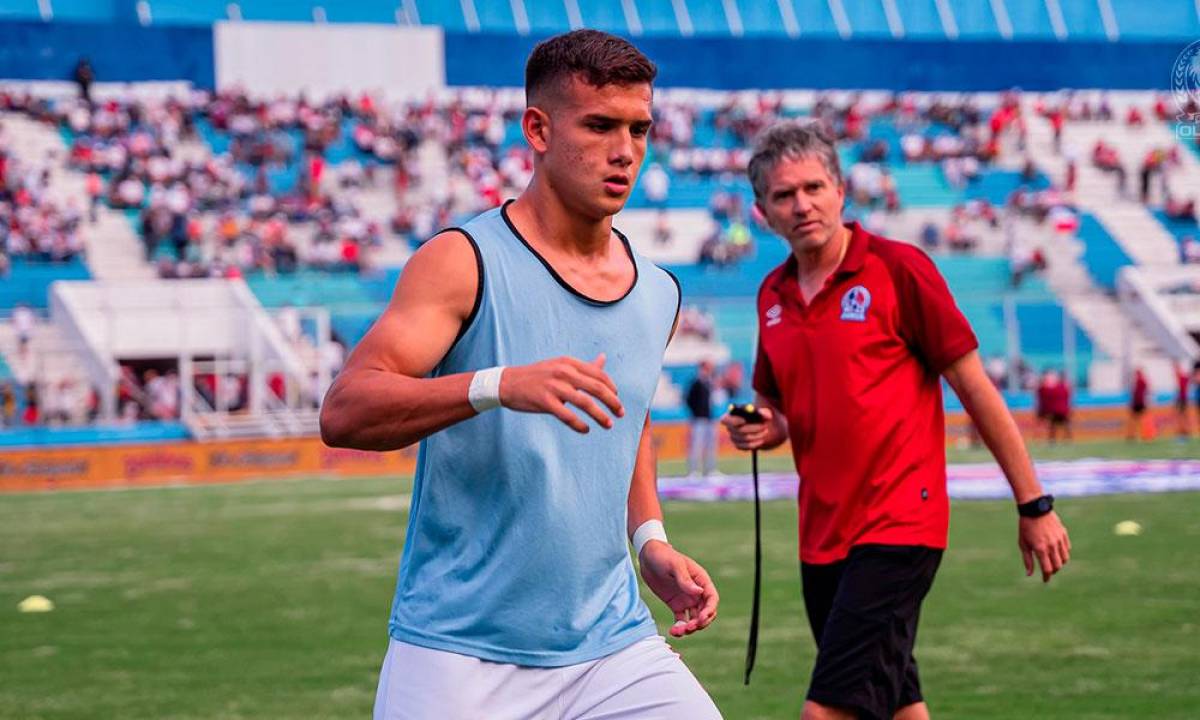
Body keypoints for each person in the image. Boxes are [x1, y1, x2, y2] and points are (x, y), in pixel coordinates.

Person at [319, 30, 721, 720]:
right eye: (599, 126)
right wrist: (497, 384)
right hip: (458, 653)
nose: (624, 150)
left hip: (612, 646)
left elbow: (630, 418)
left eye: (638, 128)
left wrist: (649, 540)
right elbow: (345, 410)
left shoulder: (659, 289)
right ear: (538, 128)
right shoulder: (462, 260)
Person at [721, 121, 1070, 720]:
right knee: (899, 703)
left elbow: (975, 389)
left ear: (840, 189)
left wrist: (1033, 504)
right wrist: (760, 426)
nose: (802, 205)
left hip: (899, 524)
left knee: (827, 710)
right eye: (784, 195)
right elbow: (774, 410)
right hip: (822, 535)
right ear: (762, 212)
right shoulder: (771, 295)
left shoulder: (899, 268)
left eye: (813, 187)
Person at [685, 359, 718, 479]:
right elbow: (688, 399)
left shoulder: (709, 383)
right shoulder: (696, 383)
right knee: (696, 446)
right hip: (698, 419)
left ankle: (710, 470)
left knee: (711, 445)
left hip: (709, 418)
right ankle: (693, 471)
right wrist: (695, 412)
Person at [1126, 367, 1150, 442]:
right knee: (1138, 420)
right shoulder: (1141, 380)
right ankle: (1140, 435)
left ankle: (1138, 435)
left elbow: (1137, 393)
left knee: (1136, 420)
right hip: (1139, 403)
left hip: (1138, 403)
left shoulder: (1140, 381)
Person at [1173, 361, 1190, 439]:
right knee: (1180, 416)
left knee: (1182, 416)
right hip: (1181, 399)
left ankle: (1184, 432)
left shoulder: (1182, 377)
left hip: (1182, 399)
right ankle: (1183, 432)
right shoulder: (1181, 377)